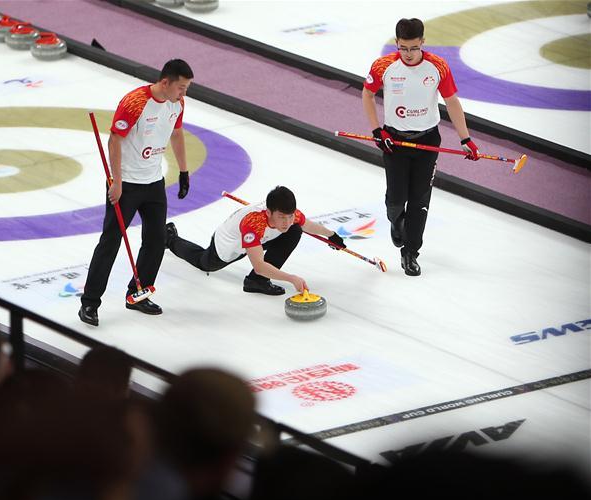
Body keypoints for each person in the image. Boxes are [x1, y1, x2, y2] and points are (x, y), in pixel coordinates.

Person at [79, 59, 194, 327]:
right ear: (165, 82)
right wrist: (116, 182)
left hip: (154, 182)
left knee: (155, 241)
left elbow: (176, 134)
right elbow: (114, 140)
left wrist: (184, 171)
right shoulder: (135, 102)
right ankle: (90, 302)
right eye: (181, 87)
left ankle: (137, 294)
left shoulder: (177, 104)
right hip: (127, 184)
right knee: (110, 242)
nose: (184, 93)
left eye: (187, 88)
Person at [362, 17, 478, 277]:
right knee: (396, 199)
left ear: (423, 43)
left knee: (420, 200)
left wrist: (465, 138)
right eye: (403, 48)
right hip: (395, 141)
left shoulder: (437, 66)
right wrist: (376, 131)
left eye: (414, 48)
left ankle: (410, 252)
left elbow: (451, 102)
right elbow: (367, 94)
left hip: (427, 140)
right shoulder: (384, 66)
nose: (409, 54)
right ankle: (395, 219)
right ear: (397, 44)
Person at [165, 186, 346, 296]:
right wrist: (291, 278)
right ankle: (170, 238)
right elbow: (259, 265)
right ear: (268, 212)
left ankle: (256, 282)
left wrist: (331, 235)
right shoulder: (253, 222)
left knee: (294, 231)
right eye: (282, 217)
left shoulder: (289, 216)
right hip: (229, 245)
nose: (288, 221)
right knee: (204, 263)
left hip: (261, 238)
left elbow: (306, 224)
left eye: (290, 216)